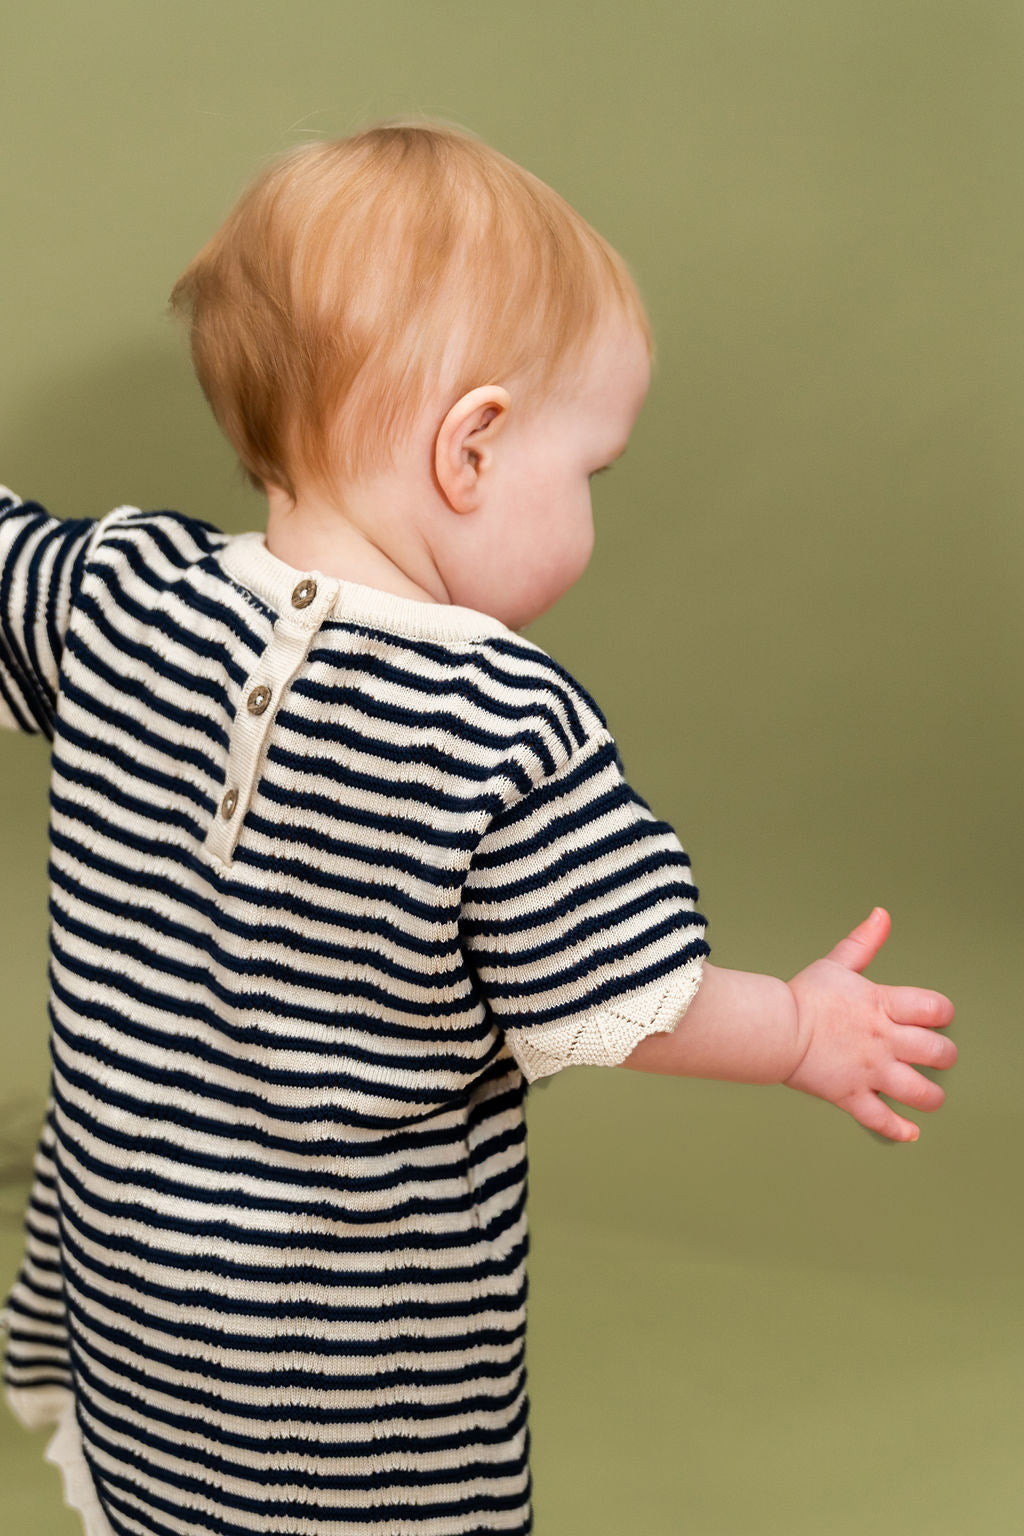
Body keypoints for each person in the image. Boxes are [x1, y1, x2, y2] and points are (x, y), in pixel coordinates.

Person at [0, 120, 956, 1536]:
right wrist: (805, 1032)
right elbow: (629, 995)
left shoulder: (123, 595)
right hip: (353, 1390)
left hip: (142, 1306)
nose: (595, 512)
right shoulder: (501, 723)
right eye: (593, 474)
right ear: (475, 447)